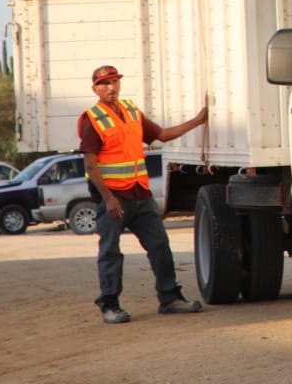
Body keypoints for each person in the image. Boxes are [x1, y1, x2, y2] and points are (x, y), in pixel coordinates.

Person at [80, 64, 209, 324]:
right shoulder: (92, 119)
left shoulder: (131, 111)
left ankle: (170, 298)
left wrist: (198, 120)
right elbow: (90, 164)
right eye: (104, 84)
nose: (111, 87)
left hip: (141, 195)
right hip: (115, 198)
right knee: (110, 252)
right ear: (95, 88)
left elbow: (161, 135)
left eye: (115, 82)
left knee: (160, 246)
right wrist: (108, 198)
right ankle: (110, 305)